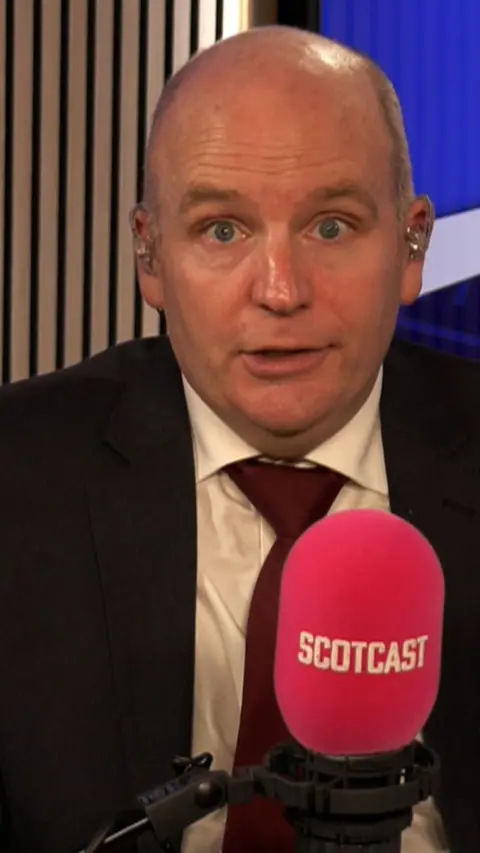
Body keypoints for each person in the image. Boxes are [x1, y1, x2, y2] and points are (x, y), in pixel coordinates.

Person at [0, 24, 479, 853]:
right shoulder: (17, 475)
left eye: (331, 226)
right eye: (223, 230)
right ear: (149, 258)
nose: (281, 291)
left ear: (413, 247)